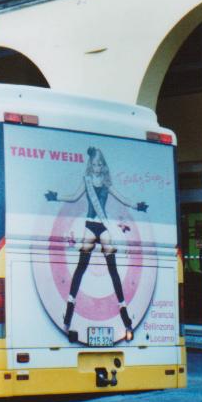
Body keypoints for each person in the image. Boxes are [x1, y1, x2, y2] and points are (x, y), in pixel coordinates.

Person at [45, 146, 148, 342]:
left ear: (104, 165)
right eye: (94, 164)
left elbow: (123, 198)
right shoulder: (87, 181)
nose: (98, 167)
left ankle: (125, 322)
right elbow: (74, 197)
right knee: (81, 269)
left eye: (100, 164)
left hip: (100, 225)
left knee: (112, 272)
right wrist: (55, 196)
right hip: (92, 226)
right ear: (90, 165)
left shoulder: (106, 183)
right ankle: (69, 317)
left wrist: (137, 206)